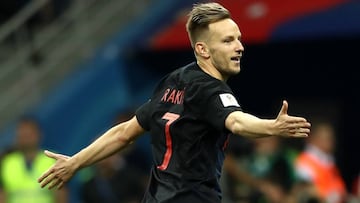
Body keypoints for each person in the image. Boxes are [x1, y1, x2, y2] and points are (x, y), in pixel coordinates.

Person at [37, 2, 311, 203]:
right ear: (202, 49)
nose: (240, 46)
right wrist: (271, 127)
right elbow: (237, 121)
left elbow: (124, 133)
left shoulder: (174, 81)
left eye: (238, 38)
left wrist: (75, 162)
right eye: (228, 40)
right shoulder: (212, 91)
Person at [0, 116, 68, 203]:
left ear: (39, 135)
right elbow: (2, 195)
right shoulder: (7, 162)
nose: (26, 138)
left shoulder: (53, 160)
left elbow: (61, 194)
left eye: (29, 134)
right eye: (23, 134)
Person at [222, 136, 298, 203]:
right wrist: (262, 186)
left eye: (267, 139)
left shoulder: (284, 160)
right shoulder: (246, 151)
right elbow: (227, 161)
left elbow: (294, 189)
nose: (260, 141)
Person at [294, 120, 346, 203]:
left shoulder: (328, 161)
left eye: (331, 138)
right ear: (314, 139)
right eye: (327, 138)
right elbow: (307, 193)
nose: (332, 142)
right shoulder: (304, 163)